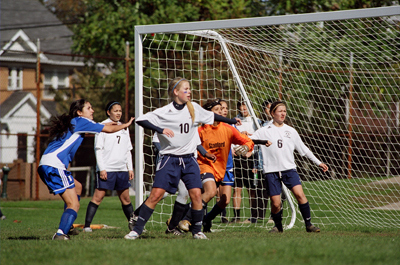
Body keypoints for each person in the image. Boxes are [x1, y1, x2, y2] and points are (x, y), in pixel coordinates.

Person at [124, 77, 241, 240]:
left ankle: (197, 231)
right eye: (185, 89)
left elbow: (213, 117)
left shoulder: (194, 108)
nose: (189, 92)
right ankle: (136, 230)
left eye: (189, 89)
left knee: (196, 195)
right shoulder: (165, 111)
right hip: (169, 160)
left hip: (189, 160)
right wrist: (160, 129)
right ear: (176, 92)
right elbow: (140, 120)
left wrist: (232, 121)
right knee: (156, 194)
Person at [38, 99, 134, 240]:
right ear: (79, 112)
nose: (92, 110)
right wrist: (127, 125)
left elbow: (105, 125)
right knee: (74, 204)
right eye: (89, 108)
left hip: (47, 164)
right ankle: (60, 234)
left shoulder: (74, 122)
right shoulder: (80, 121)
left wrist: (116, 123)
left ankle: (68, 225)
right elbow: (108, 129)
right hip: (54, 166)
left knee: (78, 187)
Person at [250, 101, 328, 233]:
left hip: (289, 170)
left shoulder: (291, 131)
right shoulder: (263, 131)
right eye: (280, 111)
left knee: (300, 195)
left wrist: (318, 162)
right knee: (276, 203)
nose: (283, 113)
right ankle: (278, 226)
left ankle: (309, 224)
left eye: (284, 111)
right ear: (272, 113)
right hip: (271, 171)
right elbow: (249, 140)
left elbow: (304, 149)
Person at [197, 99, 256, 232]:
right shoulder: (201, 130)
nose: (222, 111)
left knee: (225, 200)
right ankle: (189, 220)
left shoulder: (229, 127)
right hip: (207, 166)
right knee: (209, 193)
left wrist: (247, 147)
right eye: (218, 109)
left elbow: (246, 140)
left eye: (223, 109)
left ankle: (207, 219)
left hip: (226, 167)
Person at [83, 101, 134, 233]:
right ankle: (87, 226)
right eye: (115, 111)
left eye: (120, 111)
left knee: (126, 199)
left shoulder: (124, 127)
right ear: (108, 112)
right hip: (108, 169)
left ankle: (134, 226)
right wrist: (102, 168)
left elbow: (128, 149)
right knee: (98, 197)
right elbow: (98, 149)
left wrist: (130, 168)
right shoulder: (102, 126)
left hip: (122, 169)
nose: (118, 113)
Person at [231, 101, 262, 224]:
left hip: (251, 159)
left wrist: (251, 151)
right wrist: (235, 150)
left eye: (245, 107)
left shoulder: (256, 121)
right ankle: (236, 217)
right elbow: (232, 137)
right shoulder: (234, 121)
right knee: (237, 188)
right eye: (241, 107)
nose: (243, 109)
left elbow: (259, 139)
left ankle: (253, 216)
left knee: (251, 189)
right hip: (237, 159)